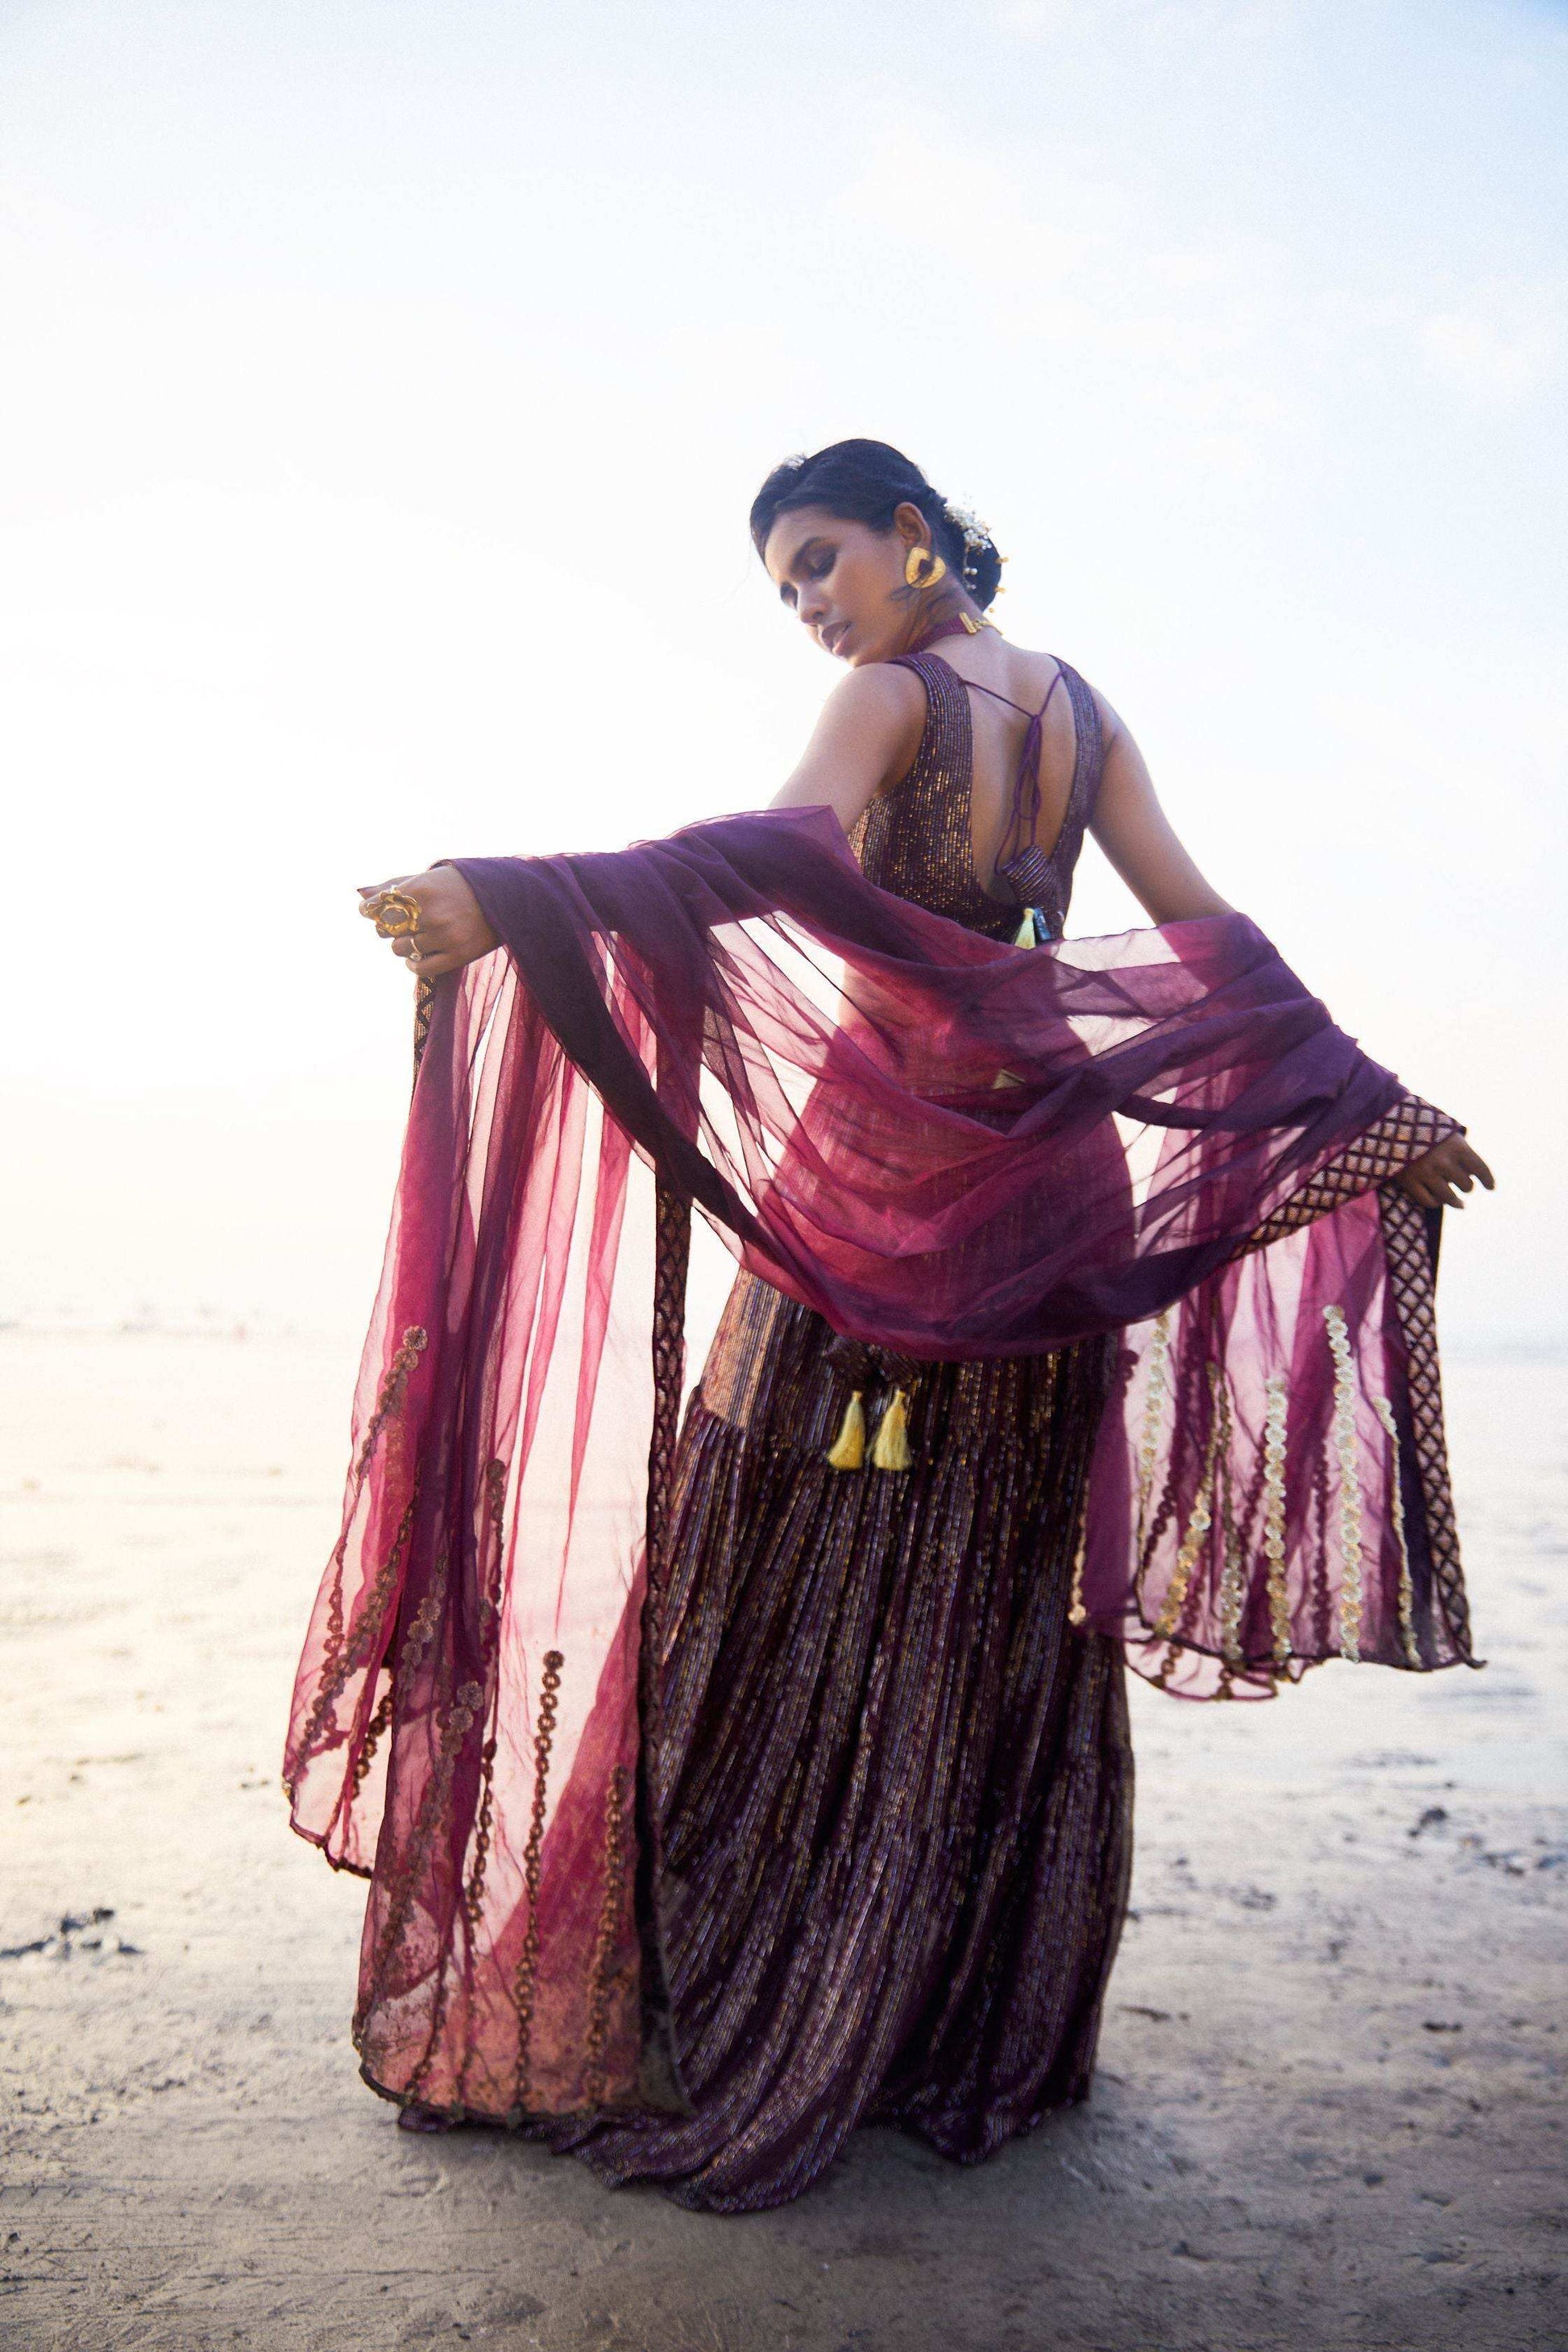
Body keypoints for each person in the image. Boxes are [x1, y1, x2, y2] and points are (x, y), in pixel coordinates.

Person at [302, 440, 1491, 2215]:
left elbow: (777, 858)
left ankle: (751, 1989)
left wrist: (517, 895)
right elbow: (1211, 940)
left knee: (777, 1547)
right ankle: (948, 2013)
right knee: (987, 1592)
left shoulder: (885, 695)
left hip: (882, 1168)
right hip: (1050, 1181)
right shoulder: (1082, 715)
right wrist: (1369, 1104)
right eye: (785, 585)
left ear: (915, 538)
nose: (808, 606)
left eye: (819, 559)